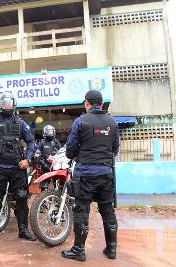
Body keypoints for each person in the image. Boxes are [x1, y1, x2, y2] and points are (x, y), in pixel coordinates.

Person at [61, 90, 120, 261]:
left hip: (85, 174)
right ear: (101, 104)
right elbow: (115, 149)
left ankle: (79, 250)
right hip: (105, 173)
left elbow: (70, 150)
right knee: (107, 210)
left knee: (81, 210)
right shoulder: (112, 122)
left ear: (87, 103)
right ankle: (111, 249)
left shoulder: (80, 121)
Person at [0, 92, 36, 242]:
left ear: (13, 104)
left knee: (22, 197)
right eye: (4, 103)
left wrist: (28, 159)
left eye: (9, 102)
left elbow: (31, 142)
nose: (6, 105)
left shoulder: (21, 123)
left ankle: (23, 230)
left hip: (17, 167)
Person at [36, 125, 62, 191]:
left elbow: (61, 154)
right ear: (44, 132)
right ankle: (44, 200)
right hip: (45, 167)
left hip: (55, 167)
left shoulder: (56, 142)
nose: (49, 133)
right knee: (44, 187)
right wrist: (44, 164)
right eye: (48, 131)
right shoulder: (41, 143)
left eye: (50, 131)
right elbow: (37, 155)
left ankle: (57, 199)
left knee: (58, 187)